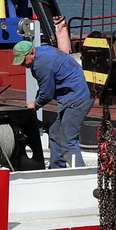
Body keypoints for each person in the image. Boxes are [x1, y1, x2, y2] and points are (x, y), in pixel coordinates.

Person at [16, 28, 92, 168]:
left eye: (23, 60)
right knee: (55, 132)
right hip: (70, 97)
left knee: (68, 139)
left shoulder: (41, 64)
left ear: (32, 53)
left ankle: (80, 171)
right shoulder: (42, 52)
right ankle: (57, 167)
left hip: (77, 98)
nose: (22, 65)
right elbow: (46, 85)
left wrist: (35, 105)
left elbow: (47, 93)